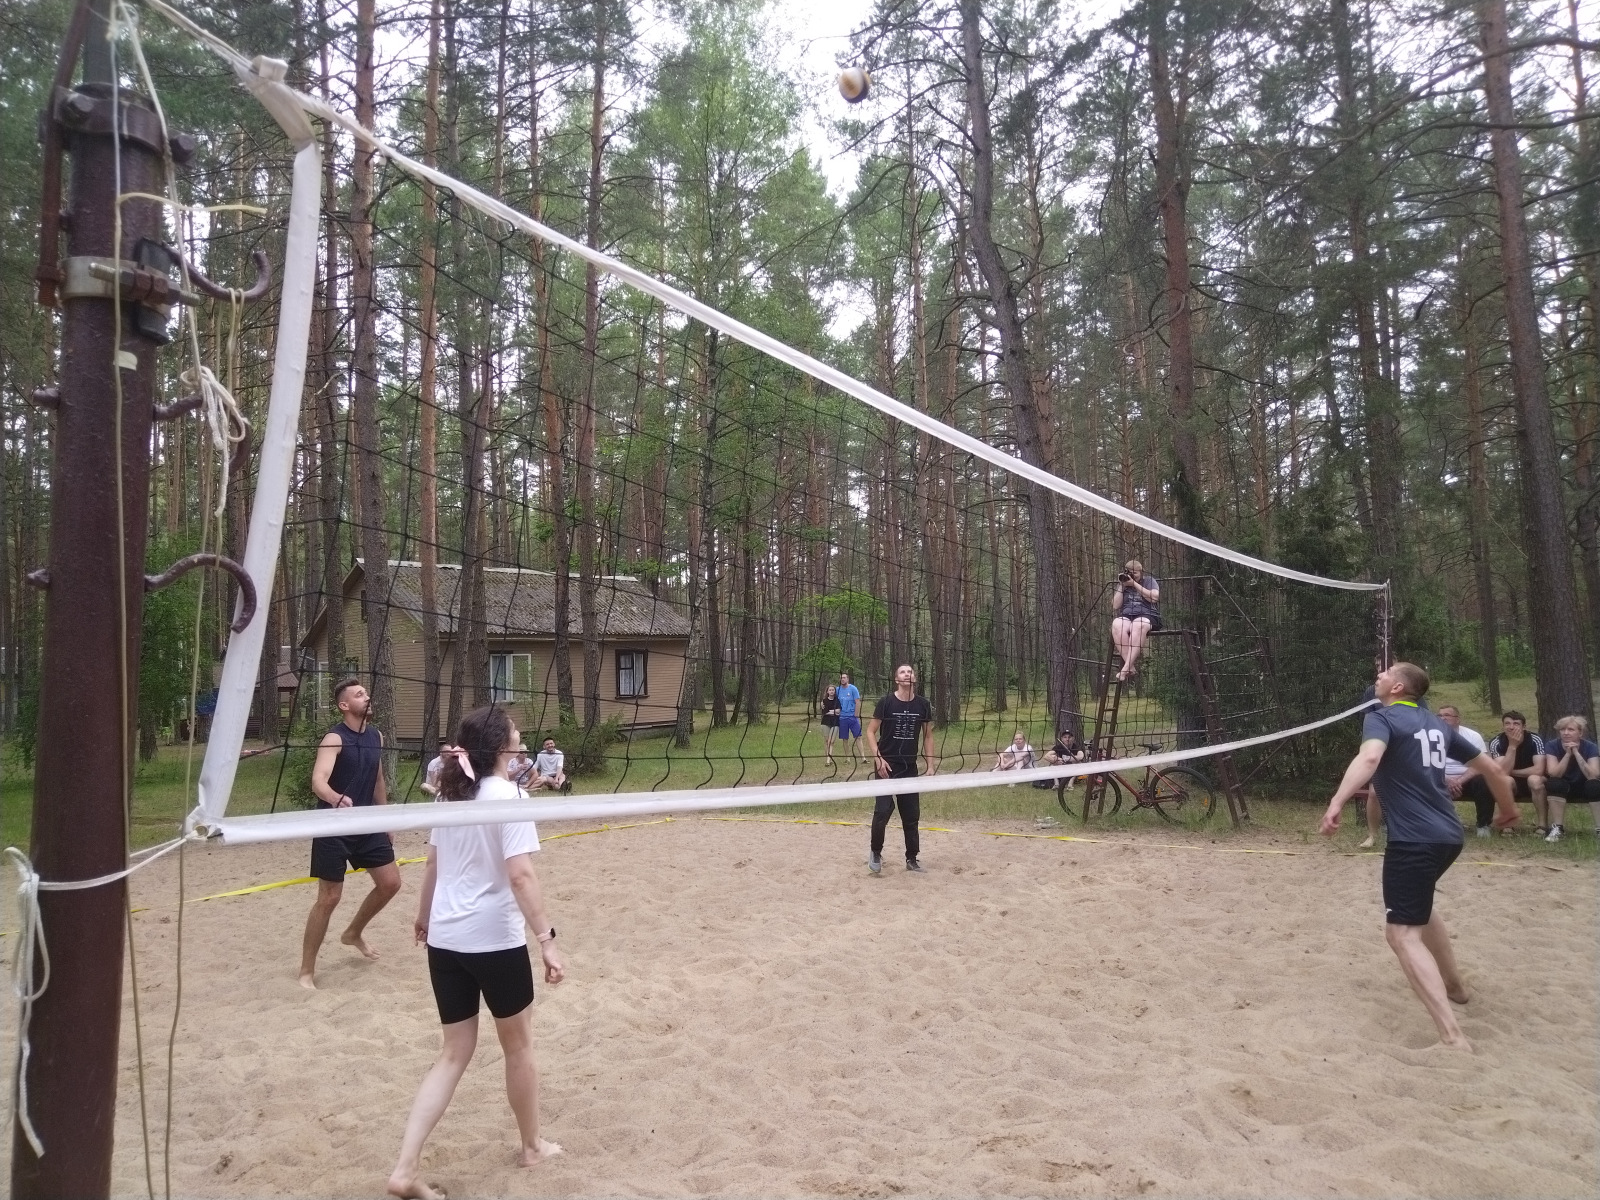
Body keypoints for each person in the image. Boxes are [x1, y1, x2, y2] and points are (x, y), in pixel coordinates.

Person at [387, 705, 565, 1199]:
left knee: (452, 1054)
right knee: (519, 1047)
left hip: (446, 941)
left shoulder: (452, 794)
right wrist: (547, 940)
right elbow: (520, 875)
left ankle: (405, 1168)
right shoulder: (509, 797)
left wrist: (424, 918)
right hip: (493, 941)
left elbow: (432, 864)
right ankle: (531, 1147)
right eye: (515, 729)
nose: (521, 732)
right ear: (501, 745)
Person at [1319, 662, 1515, 1052]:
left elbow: (1369, 760)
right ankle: (1455, 987)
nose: (1378, 676)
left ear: (1398, 687)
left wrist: (1337, 802)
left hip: (1414, 840)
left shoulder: (1381, 718)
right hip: (1448, 836)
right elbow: (1493, 769)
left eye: (1385, 673)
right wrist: (1508, 810)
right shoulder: (1437, 725)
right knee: (1419, 909)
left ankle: (1452, 1036)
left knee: (1401, 934)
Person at [299, 678, 402, 990]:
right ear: (344, 705)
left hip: (366, 822)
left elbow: (378, 780)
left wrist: (386, 820)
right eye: (359, 694)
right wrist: (335, 798)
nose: (367, 697)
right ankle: (306, 971)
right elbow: (318, 780)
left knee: (390, 883)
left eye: (366, 692)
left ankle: (353, 932)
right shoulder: (334, 738)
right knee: (330, 897)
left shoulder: (376, 736)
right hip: (333, 825)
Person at [864, 663, 939, 874]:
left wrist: (930, 765)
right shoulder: (886, 702)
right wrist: (878, 759)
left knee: (911, 814)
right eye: (903, 672)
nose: (907, 674)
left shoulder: (923, 704)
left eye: (910, 671)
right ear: (897, 679)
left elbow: (928, 736)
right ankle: (875, 852)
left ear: (914, 678)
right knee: (882, 810)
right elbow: (870, 732)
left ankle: (912, 858)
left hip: (909, 766)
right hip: (886, 766)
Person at [1542, 715, 1600, 842]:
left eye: (1571, 729)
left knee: (1595, 785)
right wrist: (1568, 754)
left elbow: (1593, 775)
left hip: (1584, 785)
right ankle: (1558, 828)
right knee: (1554, 783)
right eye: (1562, 729)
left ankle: (1599, 829)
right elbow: (1554, 773)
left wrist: (1577, 753)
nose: (1566, 733)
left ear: (1580, 733)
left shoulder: (1591, 747)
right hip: (1563, 786)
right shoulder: (1552, 745)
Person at [1488, 711, 1547, 831]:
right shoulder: (1496, 742)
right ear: (1503, 726)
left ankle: (1542, 825)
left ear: (1524, 727)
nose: (1511, 727)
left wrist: (1512, 771)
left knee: (1534, 780)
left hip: (1533, 779)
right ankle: (1507, 825)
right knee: (1505, 781)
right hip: (1511, 782)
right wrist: (1512, 746)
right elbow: (1503, 773)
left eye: (1516, 724)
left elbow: (1539, 769)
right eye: (1507, 723)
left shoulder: (1535, 739)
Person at [1110, 559, 1160, 682]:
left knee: (1137, 625)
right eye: (1129, 573)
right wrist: (1122, 585)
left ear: (1141, 572)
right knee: (1116, 624)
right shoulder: (1124, 583)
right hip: (1127, 615)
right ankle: (1130, 667)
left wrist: (1134, 585)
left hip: (1147, 614)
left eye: (1135, 573)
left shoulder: (1149, 581)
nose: (1132, 575)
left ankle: (1125, 668)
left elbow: (1154, 597)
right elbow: (1115, 605)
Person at [835, 672, 864, 762]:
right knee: (845, 739)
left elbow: (857, 702)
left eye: (844, 678)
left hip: (852, 717)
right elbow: (830, 698)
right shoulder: (837, 690)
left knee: (858, 737)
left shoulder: (853, 689)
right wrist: (823, 703)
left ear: (847, 679)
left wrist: (856, 715)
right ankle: (847, 758)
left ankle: (863, 757)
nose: (842, 679)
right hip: (842, 718)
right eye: (841, 678)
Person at [819, 684, 842, 764]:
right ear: (827, 692)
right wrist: (834, 712)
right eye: (830, 690)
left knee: (831, 741)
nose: (831, 691)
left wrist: (831, 711)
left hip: (835, 722)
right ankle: (828, 758)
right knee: (827, 741)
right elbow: (825, 712)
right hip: (825, 722)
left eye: (833, 690)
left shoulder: (837, 700)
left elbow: (839, 711)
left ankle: (828, 760)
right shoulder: (824, 701)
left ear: (835, 691)